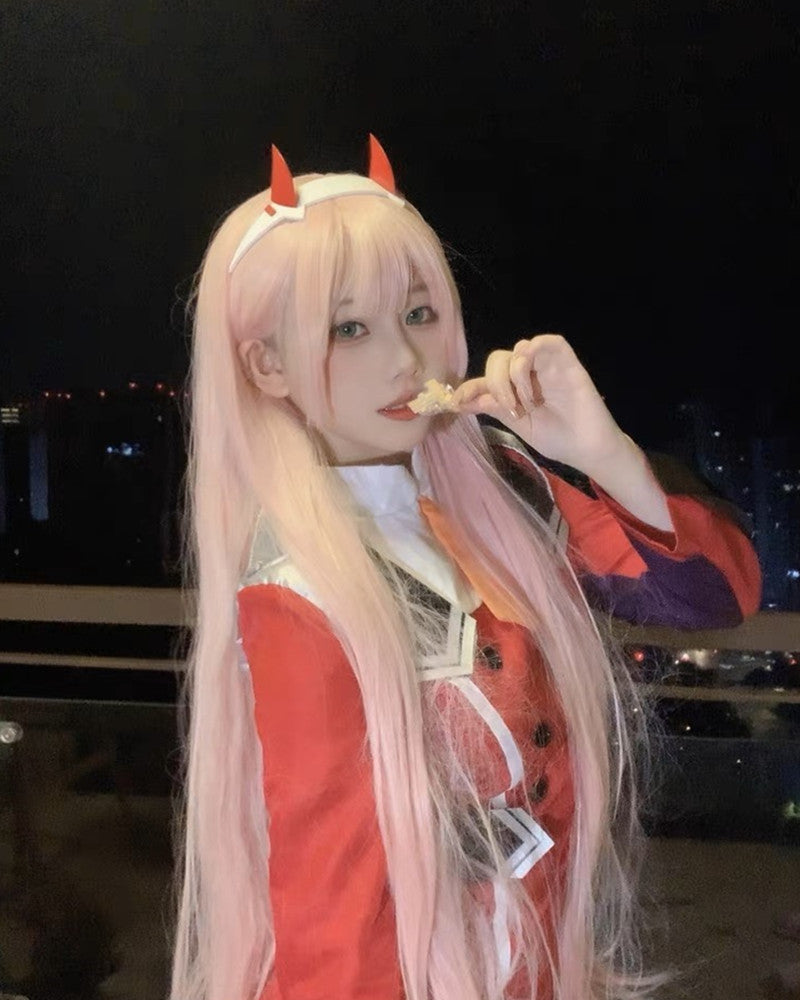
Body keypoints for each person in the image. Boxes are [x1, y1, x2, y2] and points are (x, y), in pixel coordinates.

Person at [169, 135, 762, 1000]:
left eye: (419, 314)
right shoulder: (293, 589)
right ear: (267, 364)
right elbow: (334, 918)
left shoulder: (500, 496)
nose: (406, 361)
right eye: (348, 328)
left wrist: (601, 450)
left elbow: (709, 597)